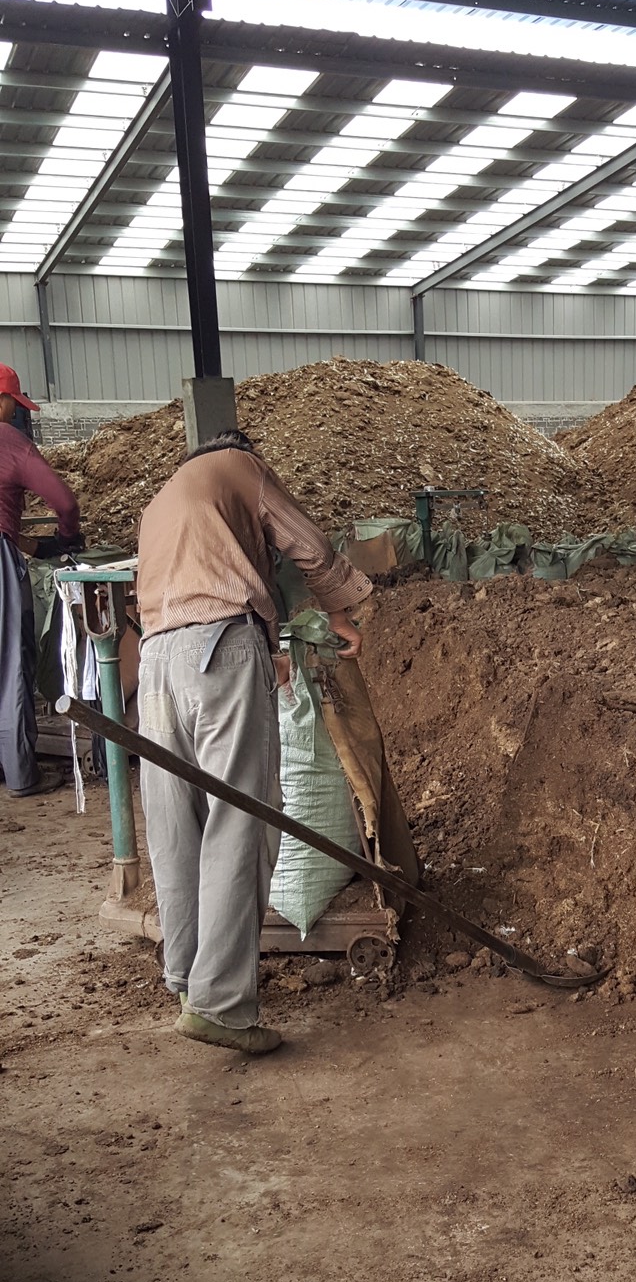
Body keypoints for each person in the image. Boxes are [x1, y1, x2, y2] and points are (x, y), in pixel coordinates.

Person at [135, 427, 373, 1056]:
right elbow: (307, 544)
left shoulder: (168, 495)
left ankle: (187, 978)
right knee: (243, 817)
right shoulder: (241, 466)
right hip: (219, 647)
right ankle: (222, 1006)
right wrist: (341, 609)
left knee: (174, 819)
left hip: (155, 660)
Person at [0, 365, 83, 797]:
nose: (17, 412)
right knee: (11, 661)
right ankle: (20, 775)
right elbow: (63, 501)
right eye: (15, 404)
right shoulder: (9, 440)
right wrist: (66, 538)